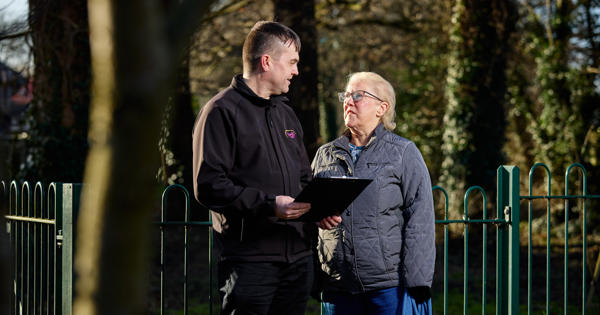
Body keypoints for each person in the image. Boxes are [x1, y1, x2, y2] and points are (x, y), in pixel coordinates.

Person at [192, 21, 315, 315]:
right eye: (293, 62)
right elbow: (208, 185)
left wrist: (318, 209)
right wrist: (269, 206)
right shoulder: (221, 111)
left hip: (297, 258)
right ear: (267, 61)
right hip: (250, 263)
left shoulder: (285, 112)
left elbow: (302, 177)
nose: (296, 71)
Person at [312, 72, 435, 314]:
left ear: (382, 108)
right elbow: (306, 211)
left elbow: (420, 220)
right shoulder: (324, 155)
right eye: (346, 95)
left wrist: (418, 282)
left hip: (387, 287)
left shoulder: (403, 152)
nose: (348, 101)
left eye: (358, 95)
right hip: (337, 287)